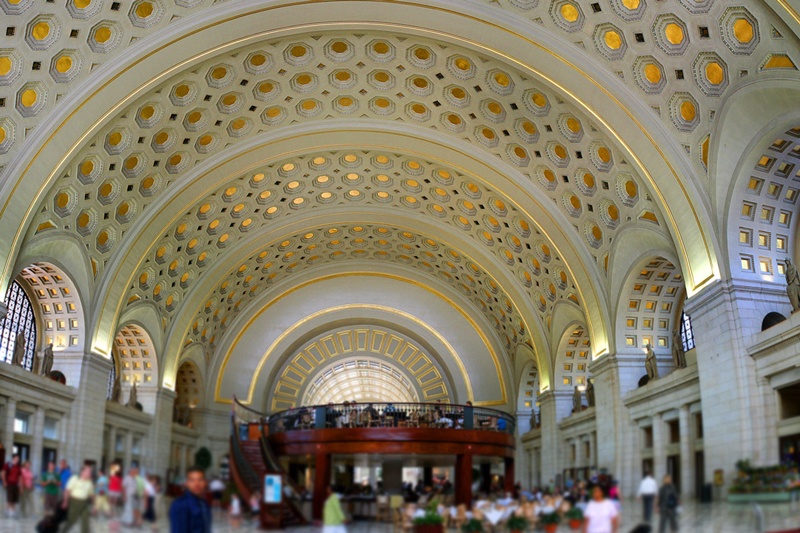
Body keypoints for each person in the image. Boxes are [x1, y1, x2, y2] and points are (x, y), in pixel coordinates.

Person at [169, 466, 211, 533]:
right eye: (192, 480)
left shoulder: (204, 503)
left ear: (205, 482)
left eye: (200, 480)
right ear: (187, 483)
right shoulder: (180, 504)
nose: (196, 484)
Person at [61, 464, 95, 533]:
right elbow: (67, 491)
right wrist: (65, 501)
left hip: (84, 503)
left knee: (85, 520)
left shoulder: (90, 482)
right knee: (72, 520)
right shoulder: (75, 478)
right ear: (82, 472)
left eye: (90, 471)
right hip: (74, 502)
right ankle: (63, 531)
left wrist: (94, 506)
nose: (90, 473)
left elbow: (92, 494)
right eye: (88, 471)